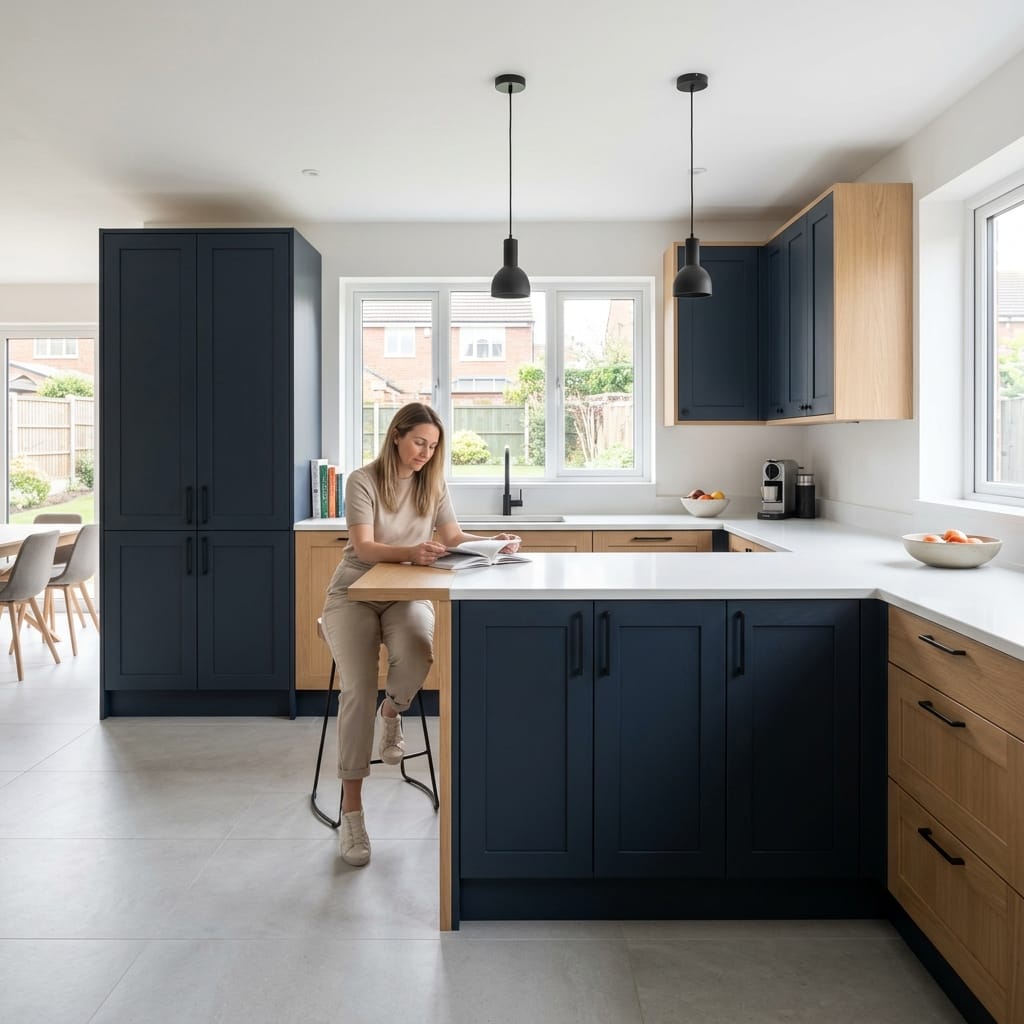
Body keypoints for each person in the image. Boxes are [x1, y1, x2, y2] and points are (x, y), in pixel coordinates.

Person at [321, 402, 520, 866]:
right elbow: (366, 546)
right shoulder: (362, 480)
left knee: (417, 653)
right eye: (418, 443)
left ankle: (392, 712)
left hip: (404, 590)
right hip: (353, 590)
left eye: (432, 447)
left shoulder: (434, 483)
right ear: (396, 435)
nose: (425, 454)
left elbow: (452, 537)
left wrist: (494, 543)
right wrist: (412, 552)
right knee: (357, 689)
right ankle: (352, 814)